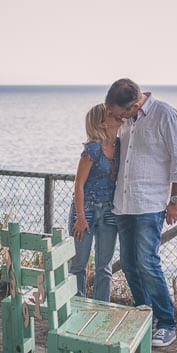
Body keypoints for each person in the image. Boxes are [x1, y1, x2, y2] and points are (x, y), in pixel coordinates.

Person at [105, 78, 177, 347]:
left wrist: (175, 199)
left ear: (134, 104)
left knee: (148, 262)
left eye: (119, 112)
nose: (116, 117)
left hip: (150, 204)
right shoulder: (126, 120)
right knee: (129, 264)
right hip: (124, 203)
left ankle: (167, 323)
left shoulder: (165, 115)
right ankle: (146, 316)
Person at [68, 104, 122, 301]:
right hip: (87, 210)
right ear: (101, 123)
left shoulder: (120, 147)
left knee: (104, 267)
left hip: (109, 211)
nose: (117, 116)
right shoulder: (93, 149)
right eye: (111, 115)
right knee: (78, 265)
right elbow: (79, 184)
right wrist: (81, 217)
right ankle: (76, 310)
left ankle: (101, 312)